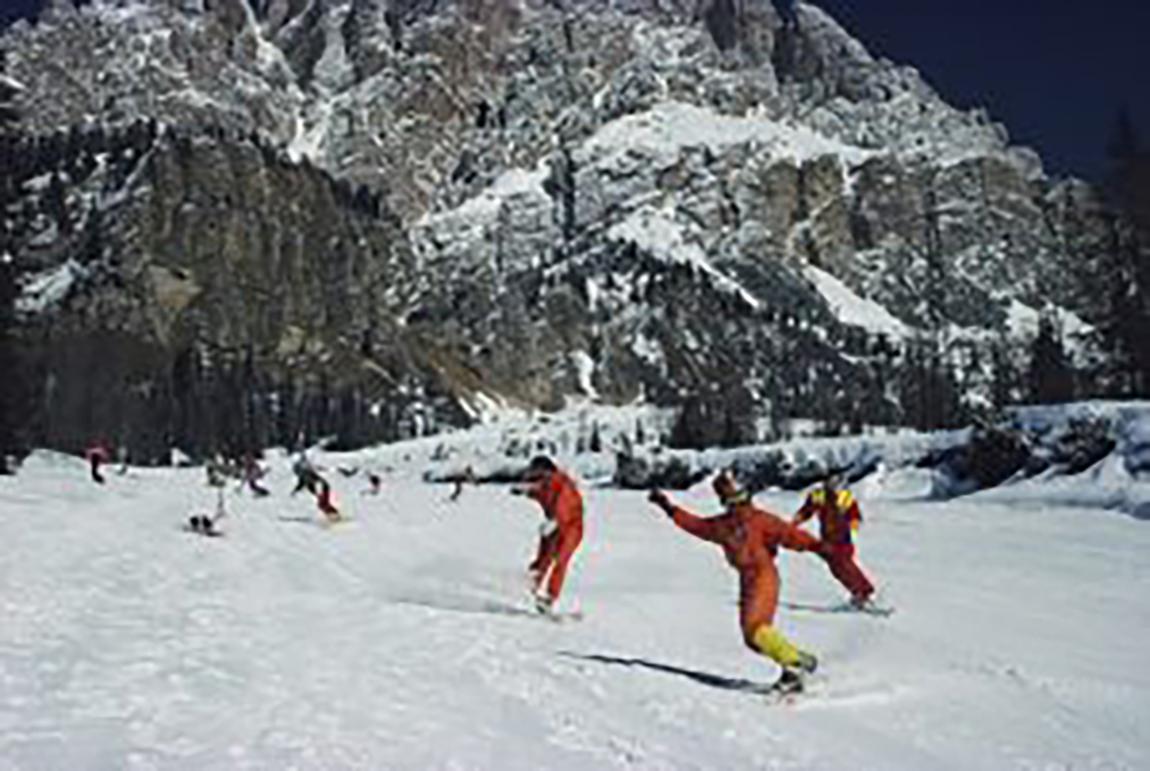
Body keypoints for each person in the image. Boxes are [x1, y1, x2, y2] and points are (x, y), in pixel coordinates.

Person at [649, 471, 826, 694]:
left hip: (763, 575)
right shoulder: (724, 525)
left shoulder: (757, 519)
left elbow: (790, 535)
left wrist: (819, 547)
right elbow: (695, 525)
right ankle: (801, 660)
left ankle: (795, 666)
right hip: (749, 578)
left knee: (756, 630)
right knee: (753, 639)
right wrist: (668, 508)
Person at [793, 469, 876, 609]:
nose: (834, 484)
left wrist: (853, 522)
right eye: (831, 481)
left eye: (837, 481)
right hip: (827, 539)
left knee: (845, 564)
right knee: (836, 568)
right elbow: (807, 510)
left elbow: (854, 514)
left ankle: (865, 591)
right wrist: (796, 521)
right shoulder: (819, 495)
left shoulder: (844, 497)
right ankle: (856, 593)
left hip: (842, 539)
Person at [512, 456, 584, 614]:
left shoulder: (564, 484)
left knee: (560, 560)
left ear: (545, 470)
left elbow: (565, 505)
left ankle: (550, 598)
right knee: (543, 559)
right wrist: (525, 492)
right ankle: (531, 587)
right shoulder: (546, 483)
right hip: (553, 526)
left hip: (571, 528)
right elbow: (540, 493)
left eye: (535, 470)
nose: (532, 474)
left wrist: (555, 521)